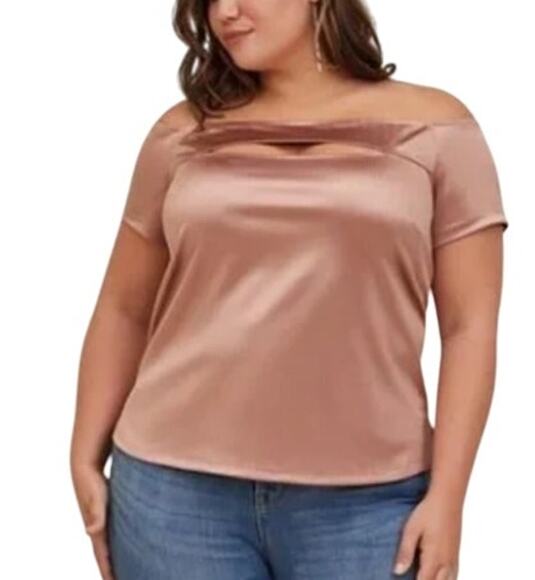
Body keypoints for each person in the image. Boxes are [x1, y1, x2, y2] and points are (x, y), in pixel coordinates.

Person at [69, 0, 509, 579]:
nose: (224, 12)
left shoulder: (437, 129)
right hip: (172, 495)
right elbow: (124, 306)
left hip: (370, 501)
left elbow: (469, 326)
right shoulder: (180, 133)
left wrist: (450, 496)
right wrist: (83, 452)